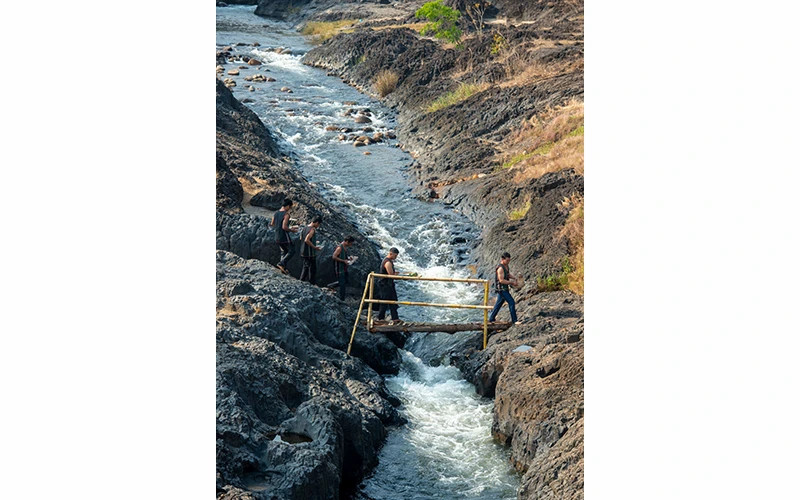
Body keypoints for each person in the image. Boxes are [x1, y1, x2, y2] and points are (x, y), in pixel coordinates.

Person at [489, 252, 520, 324]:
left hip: (505, 288)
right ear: (503, 259)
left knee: (498, 304)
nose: (508, 262)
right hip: (501, 289)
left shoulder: (506, 266)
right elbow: (501, 280)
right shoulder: (500, 268)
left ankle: (491, 318)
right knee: (511, 302)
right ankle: (514, 320)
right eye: (507, 260)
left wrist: (514, 277)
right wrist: (512, 283)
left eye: (509, 260)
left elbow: (507, 274)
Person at [269, 199, 299, 274]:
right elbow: (284, 227)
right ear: (288, 206)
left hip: (277, 236)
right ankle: (281, 263)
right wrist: (292, 229)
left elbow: (272, 224)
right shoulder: (286, 214)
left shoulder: (275, 213)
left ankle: (283, 268)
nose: (290, 209)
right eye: (290, 207)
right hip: (284, 236)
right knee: (292, 250)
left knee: (284, 251)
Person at [376, 247, 402, 324]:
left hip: (389, 284)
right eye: (395, 256)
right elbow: (391, 275)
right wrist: (398, 276)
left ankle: (395, 318)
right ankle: (380, 318)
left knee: (393, 301)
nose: (396, 257)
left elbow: (391, 273)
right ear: (391, 253)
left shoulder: (388, 261)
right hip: (385, 285)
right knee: (384, 302)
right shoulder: (387, 262)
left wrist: (395, 273)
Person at [299, 216, 323, 283]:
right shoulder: (312, 229)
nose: (318, 226)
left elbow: (301, 238)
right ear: (317, 223)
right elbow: (307, 240)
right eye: (319, 224)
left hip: (303, 250)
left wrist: (314, 241)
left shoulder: (305, 228)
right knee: (312, 268)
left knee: (306, 266)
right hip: (309, 252)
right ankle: (310, 282)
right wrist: (314, 247)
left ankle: (302, 280)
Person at [331, 236, 355, 300]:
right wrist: (343, 261)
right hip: (339, 268)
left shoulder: (344, 247)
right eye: (350, 243)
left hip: (344, 268)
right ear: (347, 242)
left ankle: (332, 286)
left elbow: (343, 256)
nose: (351, 245)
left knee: (346, 281)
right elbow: (334, 257)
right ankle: (342, 299)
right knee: (342, 285)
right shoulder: (339, 248)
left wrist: (349, 258)